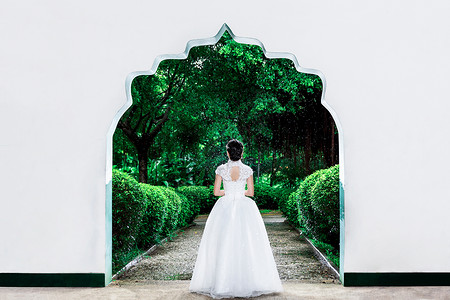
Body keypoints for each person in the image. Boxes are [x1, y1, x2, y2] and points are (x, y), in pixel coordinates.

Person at [189, 139, 283, 299]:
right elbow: (251, 192)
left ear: (227, 153)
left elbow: (216, 192)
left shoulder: (221, 169)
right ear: (242, 153)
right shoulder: (247, 170)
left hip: (224, 207)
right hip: (244, 206)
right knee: (247, 242)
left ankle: (222, 283)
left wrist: (229, 192)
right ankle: (247, 281)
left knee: (222, 242)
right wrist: (239, 192)